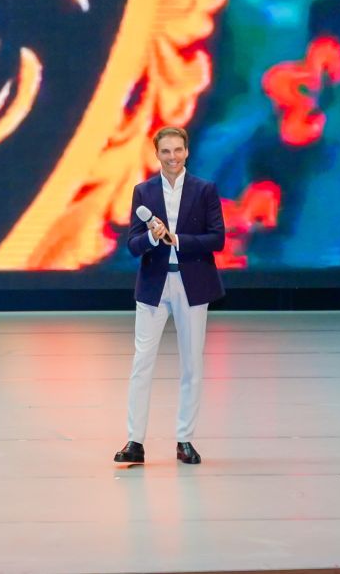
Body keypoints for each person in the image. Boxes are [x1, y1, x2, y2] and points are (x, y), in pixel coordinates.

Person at [114, 125, 225, 467]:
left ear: (187, 151)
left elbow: (217, 238)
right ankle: (135, 441)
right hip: (154, 285)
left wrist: (178, 240)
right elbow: (133, 245)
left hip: (193, 284)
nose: (172, 157)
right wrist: (152, 237)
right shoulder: (144, 191)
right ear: (157, 154)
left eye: (178, 150)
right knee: (142, 362)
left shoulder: (204, 190)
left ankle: (185, 440)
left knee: (192, 364)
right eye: (166, 151)